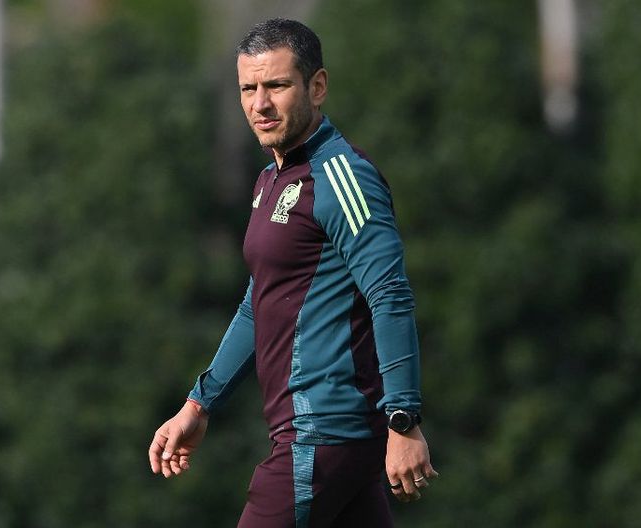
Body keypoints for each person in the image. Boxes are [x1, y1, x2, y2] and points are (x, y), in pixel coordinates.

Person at [148, 18, 438, 527]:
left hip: (324, 432)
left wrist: (403, 419)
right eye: (248, 89)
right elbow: (260, 303)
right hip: (326, 439)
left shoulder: (343, 177)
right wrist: (199, 403)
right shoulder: (270, 180)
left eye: (277, 85)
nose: (260, 104)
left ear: (317, 86)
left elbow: (389, 294)